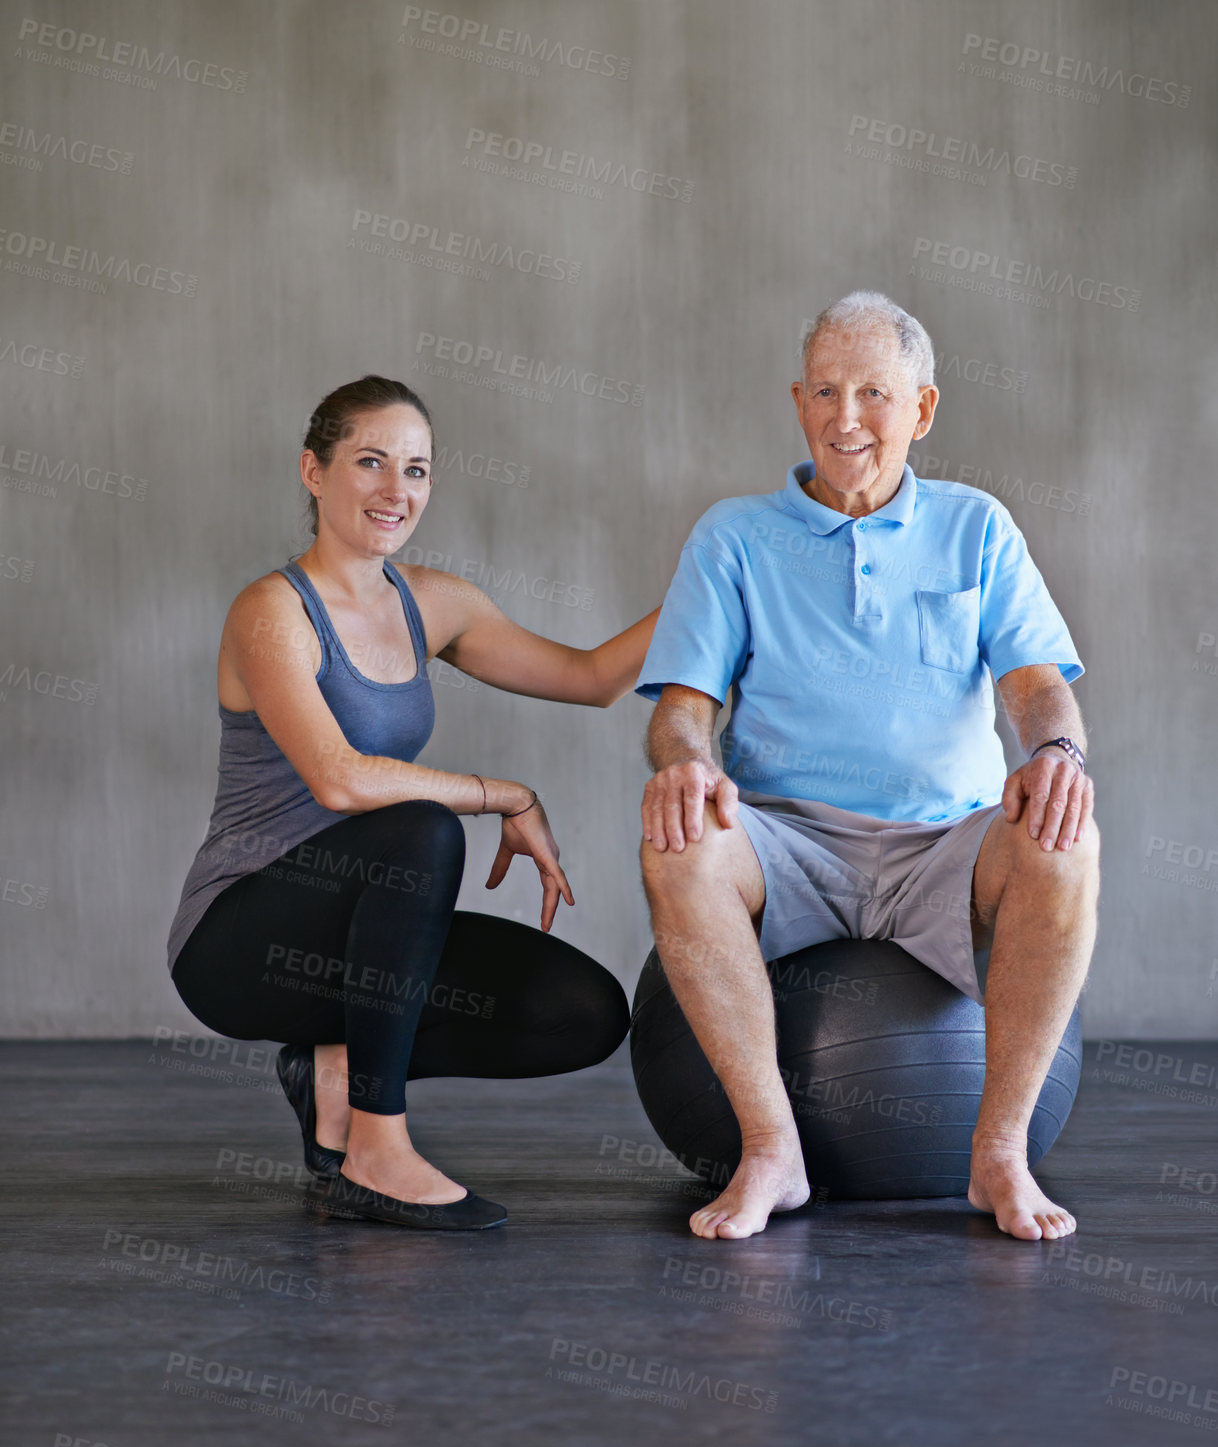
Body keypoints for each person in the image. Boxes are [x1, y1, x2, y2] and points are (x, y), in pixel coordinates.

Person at [636, 291, 1099, 1244]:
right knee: (680, 843)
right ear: (798, 403)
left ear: (922, 409)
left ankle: (1000, 1154)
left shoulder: (977, 528)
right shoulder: (733, 536)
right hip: (788, 839)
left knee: (1066, 838)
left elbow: (1036, 689)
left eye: (875, 394)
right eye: (826, 392)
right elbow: (684, 712)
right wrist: (685, 765)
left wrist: (1057, 751)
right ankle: (772, 1151)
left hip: (947, 843)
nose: (847, 419)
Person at [168, 375, 657, 1231]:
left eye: (419, 470)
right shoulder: (272, 612)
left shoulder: (433, 604)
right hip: (240, 941)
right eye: (371, 462)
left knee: (583, 1014)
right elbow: (340, 779)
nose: (398, 491)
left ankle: (331, 1071)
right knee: (422, 833)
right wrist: (500, 795)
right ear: (314, 473)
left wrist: (733, 568)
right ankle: (375, 1150)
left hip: (362, 930)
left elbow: (593, 677)